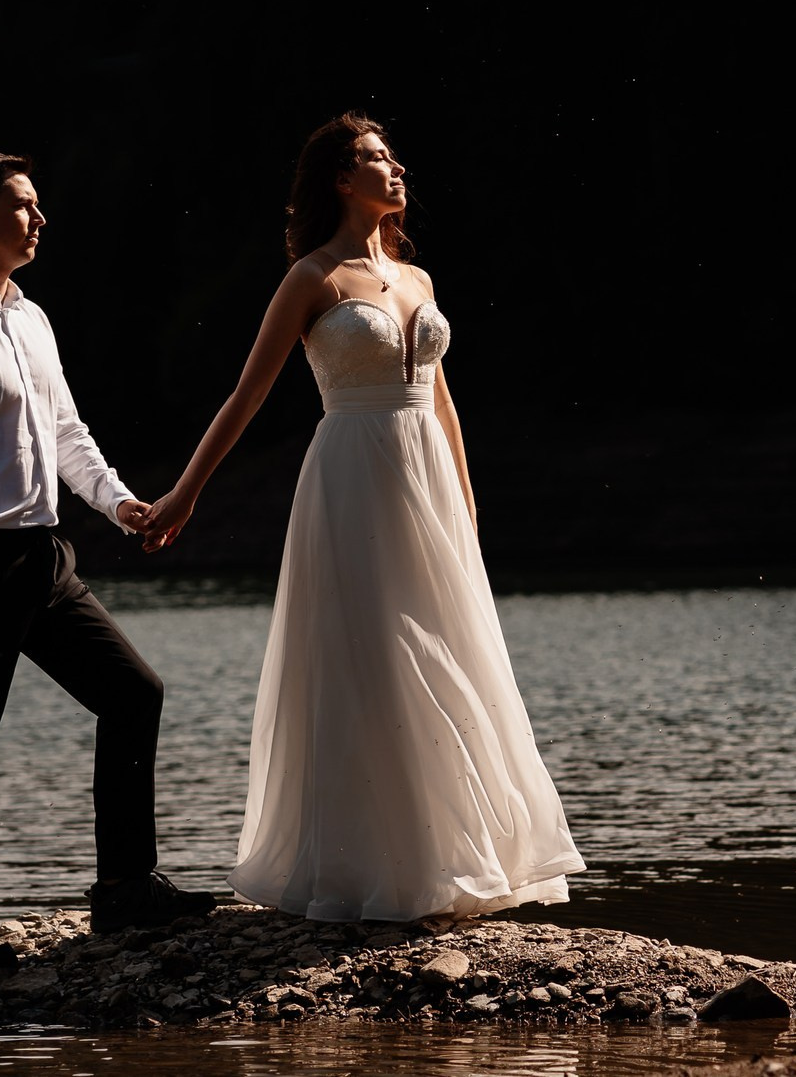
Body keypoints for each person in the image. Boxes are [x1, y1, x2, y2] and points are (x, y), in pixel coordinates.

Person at [140, 111, 584, 922]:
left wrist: (466, 498)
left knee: (451, 653)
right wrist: (184, 494)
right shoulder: (312, 277)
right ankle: (371, 870)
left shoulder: (418, 280)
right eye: (379, 159)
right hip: (351, 476)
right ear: (342, 180)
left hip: (428, 486)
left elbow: (441, 399)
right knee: (376, 657)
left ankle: (462, 857)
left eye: (393, 157)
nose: (398, 168)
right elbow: (247, 395)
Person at [0, 149, 214, 985]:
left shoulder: (31, 318)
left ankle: (124, 887)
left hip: (46, 556)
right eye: (23, 206)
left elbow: (67, 434)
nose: (39, 219)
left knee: (134, 692)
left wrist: (123, 504)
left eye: (38, 206)